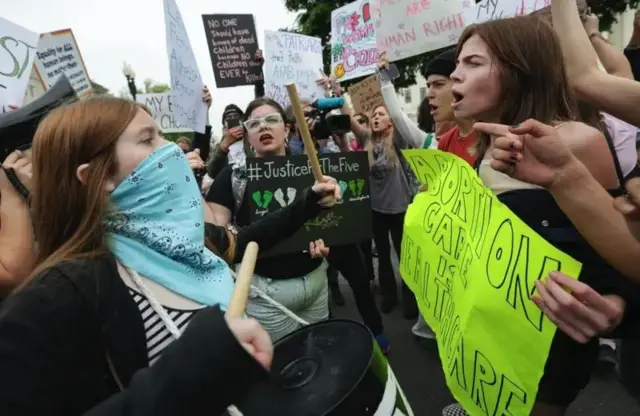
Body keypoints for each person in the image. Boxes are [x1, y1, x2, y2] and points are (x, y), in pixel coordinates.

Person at [0, 97, 340, 414]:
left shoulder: (181, 241)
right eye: (148, 140)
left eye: (161, 136)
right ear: (96, 177)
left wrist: (308, 202)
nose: (173, 151)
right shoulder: (55, 299)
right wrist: (185, 375)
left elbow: (247, 240)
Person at [442, 15, 635, 416]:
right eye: (457, 63)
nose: (454, 75)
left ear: (520, 71)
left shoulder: (577, 141)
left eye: (472, 63)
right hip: (491, 334)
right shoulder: (489, 150)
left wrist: (617, 300)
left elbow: (616, 245)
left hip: (548, 350)